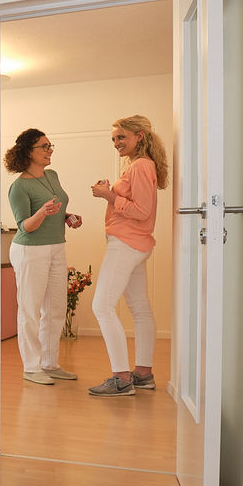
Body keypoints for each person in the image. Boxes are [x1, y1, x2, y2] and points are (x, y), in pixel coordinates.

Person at [88, 115, 169, 396]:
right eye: (113, 139)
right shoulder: (139, 166)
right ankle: (143, 375)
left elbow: (142, 211)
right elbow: (136, 204)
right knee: (140, 308)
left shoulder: (141, 166)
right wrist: (111, 190)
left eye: (121, 137)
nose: (116, 143)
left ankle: (121, 379)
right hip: (135, 243)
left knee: (102, 306)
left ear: (139, 136)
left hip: (126, 243)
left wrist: (108, 195)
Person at [4, 128, 83, 385]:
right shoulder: (19, 187)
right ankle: (31, 367)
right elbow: (25, 226)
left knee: (56, 308)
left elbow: (55, 209)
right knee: (30, 310)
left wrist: (67, 216)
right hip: (30, 250)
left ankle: (50, 363)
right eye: (44, 147)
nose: (50, 151)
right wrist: (42, 213)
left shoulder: (52, 175)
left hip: (56, 247)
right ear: (29, 151)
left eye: (50, 146)